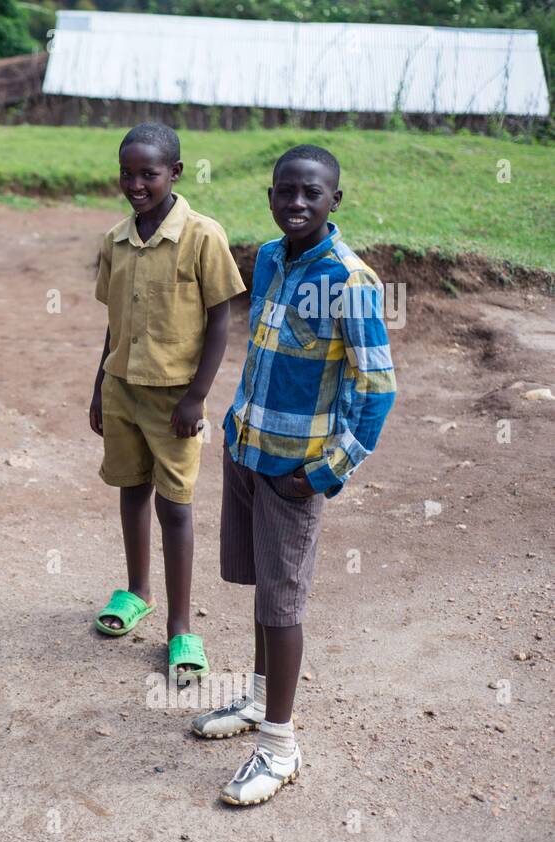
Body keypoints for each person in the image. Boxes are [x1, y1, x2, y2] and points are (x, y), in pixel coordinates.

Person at [197, 144, 396, 805]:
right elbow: (262, 352)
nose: (297, 203)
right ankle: (257, 701)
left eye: (312, 193)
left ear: (335, 200)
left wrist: (325, 470)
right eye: (286, 191)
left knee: (283, 606)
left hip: (295, 471)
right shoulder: (273, 257)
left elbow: (378, 387)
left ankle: (279, 746)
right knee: (260, 589)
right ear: (271, 195)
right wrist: (233, 429)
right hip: (248, 450)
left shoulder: (351, 279)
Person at [89, 123, 246, 684]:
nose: (136, 184)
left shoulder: (203, 236)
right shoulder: (115, 240)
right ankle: (138, 592)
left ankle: (181, 625)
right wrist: (98, 389)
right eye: (127, 173)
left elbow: (220, 320)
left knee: (175, 506)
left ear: (175, 173)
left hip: (176, 400)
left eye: (149, 174)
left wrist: (197, 396)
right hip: (122, 389)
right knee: (131, 489)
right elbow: (113, 325)